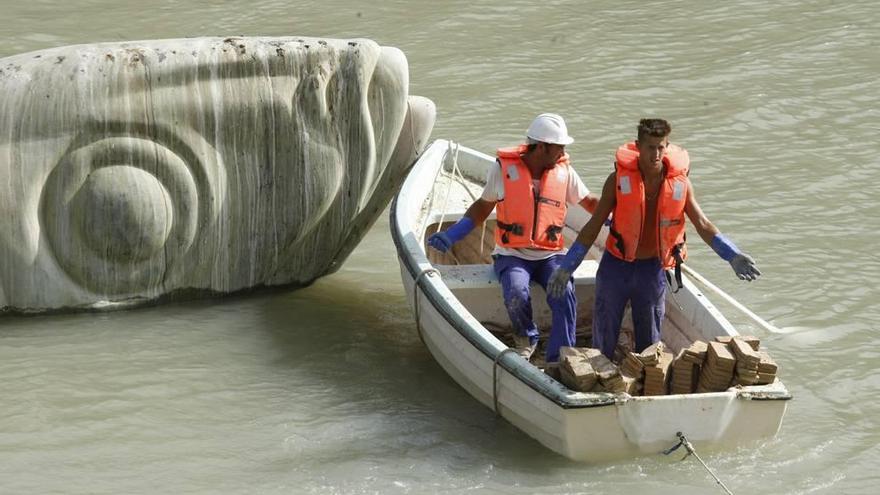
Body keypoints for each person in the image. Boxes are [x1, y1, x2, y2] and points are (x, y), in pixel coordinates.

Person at [547, 118, 761, 359]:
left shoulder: (680, 184)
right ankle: (600, 374)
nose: (656, 154)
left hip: (651, 269)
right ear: (638, 146)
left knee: (649, 343)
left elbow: (703, 224)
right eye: (650, 147)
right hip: (615, 266)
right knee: (604, 334)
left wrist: (731, 255)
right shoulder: (617, 181)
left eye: (661, 147)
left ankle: (643, 382)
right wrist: (567, 268)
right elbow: (592, 226)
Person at [427, 113, 599, 364]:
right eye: (558, 147)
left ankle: (561, 355)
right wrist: (453, 234)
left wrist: (621, 213)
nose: (562, 153)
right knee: (517, 291)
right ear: (541, 147)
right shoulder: (503, 170)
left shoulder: (565, 172)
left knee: (563, 292)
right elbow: (483, 208)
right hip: (512, 255)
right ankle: (526, 337)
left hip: (550, 254)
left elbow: (590, 203)